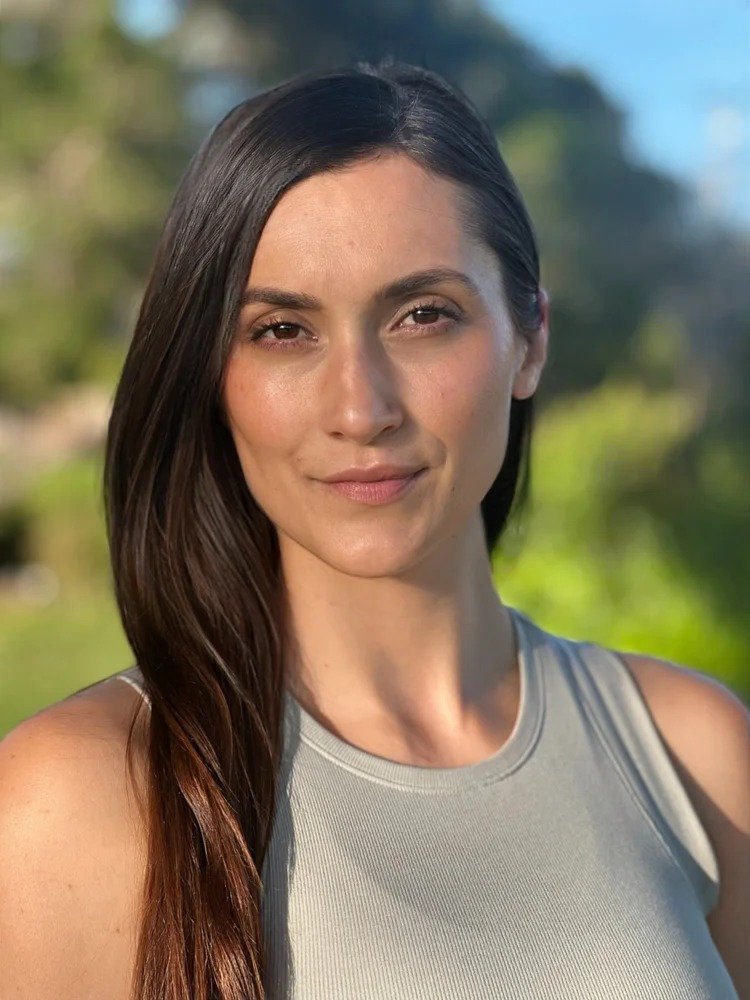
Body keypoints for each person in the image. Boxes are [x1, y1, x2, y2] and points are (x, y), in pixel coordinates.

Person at [0, 58, 747, 1000]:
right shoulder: (74, 798)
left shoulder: (697, 755)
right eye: (282, 331)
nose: (360, 408)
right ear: (209, 372)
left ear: (530, 340)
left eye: (422, 316)